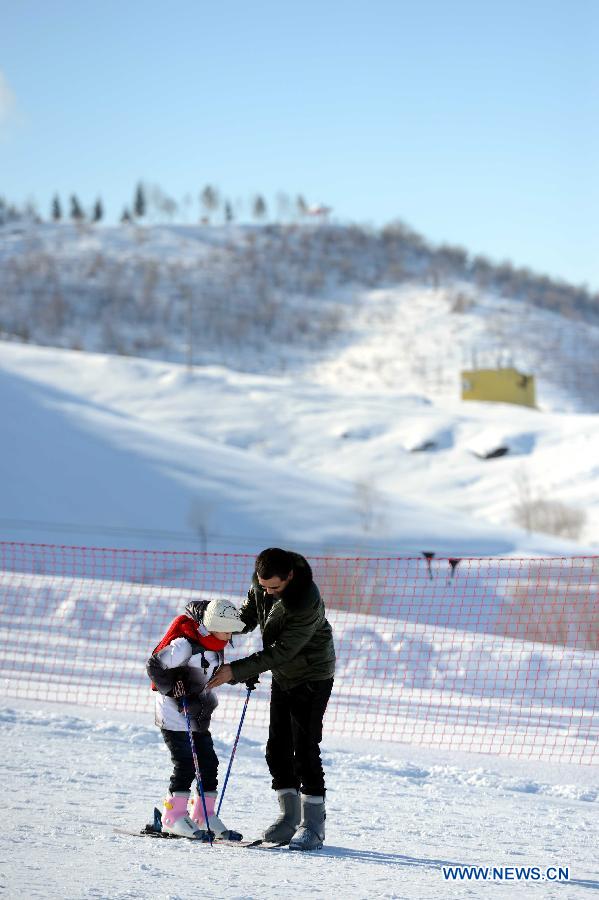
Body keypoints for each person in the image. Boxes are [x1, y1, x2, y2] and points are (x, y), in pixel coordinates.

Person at [207, 548, 335, 851]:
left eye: (274, 588)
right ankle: (289, 818)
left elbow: (282, 651)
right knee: (276, 748)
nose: (268, 592)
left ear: (289, 576)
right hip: (284, 674)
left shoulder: (306, 601)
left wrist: (235, 671)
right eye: (263, 587)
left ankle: (313, 825)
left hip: (312, 675)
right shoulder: (262, 585)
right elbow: (247, 618)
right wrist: (212, 622)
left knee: (304, 747)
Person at [146, 597, 245, 839]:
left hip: (198, 717)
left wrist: (240, 677)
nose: (231, 634)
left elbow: (208, 674)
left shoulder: (215, 646)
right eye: (227, 629)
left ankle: (203, 815)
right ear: (213, 625)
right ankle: (174, 816)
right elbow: (154, 666)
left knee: (209, 763)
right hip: (173, 715)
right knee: (186, 763)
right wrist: (174, 689)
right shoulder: (185, 645)